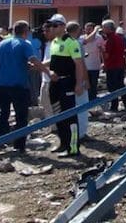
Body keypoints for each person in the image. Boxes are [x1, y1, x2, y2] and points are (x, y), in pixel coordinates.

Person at [0, 21, 55, 153]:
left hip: (1, 84)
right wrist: (48, 72)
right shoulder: (25, 44)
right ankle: (19, 145)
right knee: (21, 116)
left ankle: (0, 141)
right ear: (25, 32)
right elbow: (34, 60)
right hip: (19, 86)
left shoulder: (2, 44)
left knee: (2, 113)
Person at [47, 14, 86, 157]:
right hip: (55, 83)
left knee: (70, 115)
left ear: (63, 27)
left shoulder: (72, 42)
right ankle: (63, 143)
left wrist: (79, 84)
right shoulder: (54, 42)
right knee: (57, 114)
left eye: (55, 25)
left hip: (67, 82)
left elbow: (79, 65)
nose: (52, 28)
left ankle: (73, 147)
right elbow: (53, 62)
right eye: (51, 25)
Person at [67, 22, 90, 139]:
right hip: (78, 79)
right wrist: (85, 80)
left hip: (66, 80)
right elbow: (81, 64)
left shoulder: (61, 42)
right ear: (77, 30)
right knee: (82, 106)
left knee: (69, 107)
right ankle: (81, 134)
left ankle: (70, 133)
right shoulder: (76, 43)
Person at [102, 20, 126, 112]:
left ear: (108, 29)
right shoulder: (120, 38)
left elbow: (107, 55)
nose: (103, 29)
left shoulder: (109, 40)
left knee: (112, 87)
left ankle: (114, 106)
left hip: (112, 66)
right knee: (121, 85)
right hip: (120, 65)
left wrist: (101, 50)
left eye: (104, 27)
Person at [79, 22, 104, 101]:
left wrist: (103, 62)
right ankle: (87, 99)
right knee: (86, 84)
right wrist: (95, 30)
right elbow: (87, 40)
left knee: (93, 84)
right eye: (86, 29)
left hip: (95, 65)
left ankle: (93, 99)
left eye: (90, 29)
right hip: (84, 66)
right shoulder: (82, 38)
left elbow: (102, 51)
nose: (88, 31)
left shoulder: (99, 37)